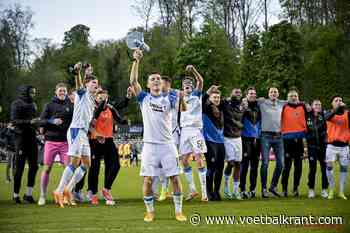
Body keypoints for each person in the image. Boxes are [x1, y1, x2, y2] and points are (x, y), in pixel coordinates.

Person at [130, 49, 187, 222]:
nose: (156, 80)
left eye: (158, 79)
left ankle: (178, 212)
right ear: (148, 84)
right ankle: (150, 211)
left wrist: (181, 97)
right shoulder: (144, 98)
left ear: (162, 85)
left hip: (167, 145)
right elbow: (133, 80)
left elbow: (183, 108)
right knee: (148, 180)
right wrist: (136, 61)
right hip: (149, 146)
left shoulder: (169, 99)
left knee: (175, 179)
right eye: (153, 79)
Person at [53, 63, 99, 208]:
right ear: (87, 84)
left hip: (83, 133)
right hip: (75, 131)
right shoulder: (82, 93)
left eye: (97, 84)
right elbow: (79, 84)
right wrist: (77, 73)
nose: (96, 86)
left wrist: (88, 72)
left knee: (86, 164)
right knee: (74, 162)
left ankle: (68, 189)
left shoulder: (92, 98)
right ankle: (59, 191)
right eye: (93, 83)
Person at [86, 88, 130, 205]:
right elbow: (88, 124)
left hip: (109, 140)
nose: (102, 100)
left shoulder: (110, 109)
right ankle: (93, 193)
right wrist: (96, 134)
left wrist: (124, 121)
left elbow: (119, 119)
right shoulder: (92, 109)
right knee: (94, 168)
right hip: (95, 141)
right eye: (100, 98)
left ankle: (106, 189)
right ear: (96, 98)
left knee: (115, 165)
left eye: (104, 98)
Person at [38, 83, 73, 206]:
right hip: (51, 141)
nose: (62, 92)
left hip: (65, 142)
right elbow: (40, 121)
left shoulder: (71, 105)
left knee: (68, 169)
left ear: (66, 92)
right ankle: (42, 195)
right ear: (55, 92)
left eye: (64, 91)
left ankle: (64, 195)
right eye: (60, 91)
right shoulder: (49, 105)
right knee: (47, 168)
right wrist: (52, 121)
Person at [178, 65, 208, 202]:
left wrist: (194, 70)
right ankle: (192, 189)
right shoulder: (179, 97)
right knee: (183, 160)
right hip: (184, 131)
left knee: (200, 157)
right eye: (185, 84)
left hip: (196, 130)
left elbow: (200, 81)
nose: (187, 86)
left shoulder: (197, 95)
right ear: (182, 87)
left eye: (190, 84)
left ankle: (204, 193)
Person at [10, 85, 39, 204]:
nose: (33, 94)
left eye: (34, 92)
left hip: (32, 138)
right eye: (31, 92)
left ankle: (28, 194)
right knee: (20, 168)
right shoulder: (16, 104)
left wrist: (38, 124)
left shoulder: (33, 104)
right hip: (21, 138)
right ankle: (15, 195)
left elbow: (34, 121)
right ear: (25, 92)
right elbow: (14, 121)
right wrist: (29, 122)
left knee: (34, 167)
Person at [258, 87, 286, 198]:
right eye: (271, 92)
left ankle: (273, 187)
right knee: (265, 163)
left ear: (278, 94)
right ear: (268, 94)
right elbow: (249, 99)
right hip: (265, 136)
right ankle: (264, 189)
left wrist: (305, 104)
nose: (273, 93)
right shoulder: (262, 102)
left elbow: (295, 101)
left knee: (281, 164)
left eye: (275, 92)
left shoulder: (282, 103)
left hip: (279, 136)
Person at [280, 89, 307, 197]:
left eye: (295, 96)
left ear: (298, 97)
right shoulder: (283, 107)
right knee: (287, 166)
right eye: (291, 96)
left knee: (298, 166)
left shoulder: (303, 107)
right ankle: (284, 189)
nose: (293, 97)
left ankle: (295, 188)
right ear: (287, 97)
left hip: (299, 140)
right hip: (287, 140)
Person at [202, 85, 225, 201]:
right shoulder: (205, 107)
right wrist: (209, 90)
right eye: (214, 97)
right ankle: (209, 191)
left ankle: (216, 191)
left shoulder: (221, 108)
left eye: (218, 97)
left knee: (220, 167)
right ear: (210, 98)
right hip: (209, 141)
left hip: (221, 142)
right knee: (211, 167)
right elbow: (203, 98)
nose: (216, 99)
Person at [325, 95, 350, 200]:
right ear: (332, 103)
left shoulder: (347, 114)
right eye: (336, 100)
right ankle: (331, 189)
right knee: (329, 167)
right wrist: (337, 109)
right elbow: (327, 118)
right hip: (331, 146)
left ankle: (341, 191)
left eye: (340, 100)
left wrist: (345, 109)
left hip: (344, 147)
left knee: (344, 169)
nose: (339, 102)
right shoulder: (329, 113)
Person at [222, 88, 244, 200]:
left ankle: (236, 190)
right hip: (227, 137)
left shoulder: (243, 105)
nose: (238, 94)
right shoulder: (225, 103)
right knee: (230, 163)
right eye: (236, 92)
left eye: (240, 93)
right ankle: (226, 187)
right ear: (231, 93)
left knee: (238, 164)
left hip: (238, 138)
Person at [239, 87, 261, 199]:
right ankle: (242, 190)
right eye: (251, 93)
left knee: (254, 167)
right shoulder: (242, 105)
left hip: (257, 140)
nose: (253, 95)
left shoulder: (259, 106)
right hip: (245, 139)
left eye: (254, 93)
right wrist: (243, 106)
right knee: (244, 166)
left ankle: (252, 190)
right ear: (246, 95)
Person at [306, 99, 328, 198]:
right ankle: (311, 189)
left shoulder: (324, 115)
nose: (318, 106)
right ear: (311, 106)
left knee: (324, 168)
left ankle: (324, 189)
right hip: (312, 147)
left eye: (319, 104)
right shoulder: (307, 115)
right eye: (316, 104)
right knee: (312, 169)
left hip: (323, 146)